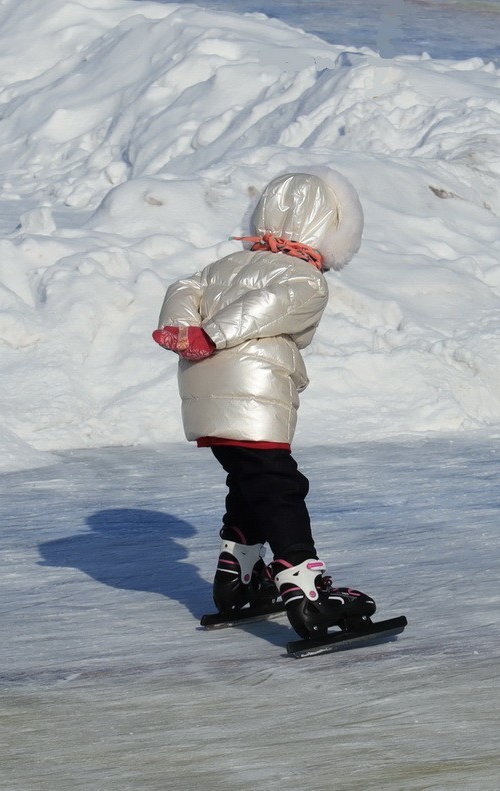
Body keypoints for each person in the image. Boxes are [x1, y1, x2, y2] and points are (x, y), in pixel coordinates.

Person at [152, 166, 375, 639]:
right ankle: (308, 591)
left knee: (249, 479)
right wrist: (212, 335)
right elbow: (268, 306)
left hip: (203, 395)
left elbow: (182, 288)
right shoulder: (305, 279)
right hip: (254, 395)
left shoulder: (223, 267)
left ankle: (240, 579)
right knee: (279, 486)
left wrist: (183, 329)